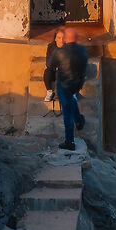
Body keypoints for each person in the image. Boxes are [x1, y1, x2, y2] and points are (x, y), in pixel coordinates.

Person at [43, 23, 92, 151]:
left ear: (66, 38)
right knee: (72, 100)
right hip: (77, 83)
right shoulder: (82, 49)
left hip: (64, 85)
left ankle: (69, 141)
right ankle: (79, 120)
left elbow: (50, 64)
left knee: (67, 114)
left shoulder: (60, 51)